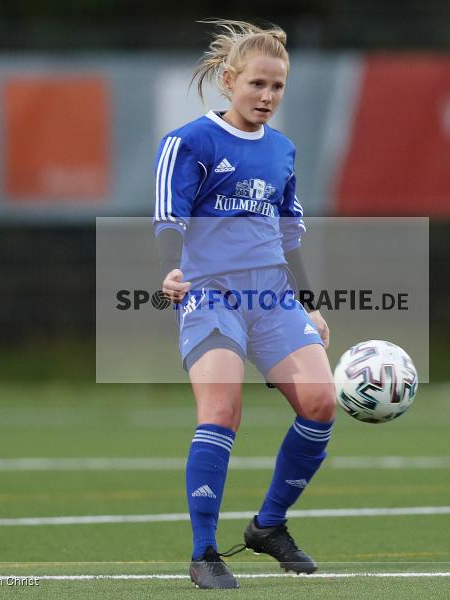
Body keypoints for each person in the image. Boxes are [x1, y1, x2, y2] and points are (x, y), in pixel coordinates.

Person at [152, 19, 336, 590]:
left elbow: (290, 234)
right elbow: (167, 217)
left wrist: (309, 304)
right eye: (257, 84)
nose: (267, 96)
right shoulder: (191, 142)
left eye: (277, 87)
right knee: (222, 411)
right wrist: (172, 269)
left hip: (274, 298)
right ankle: (204, 552)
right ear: (229, 80)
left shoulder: (282, 150)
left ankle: (268, 527)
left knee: (321, 402)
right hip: (210, 297)